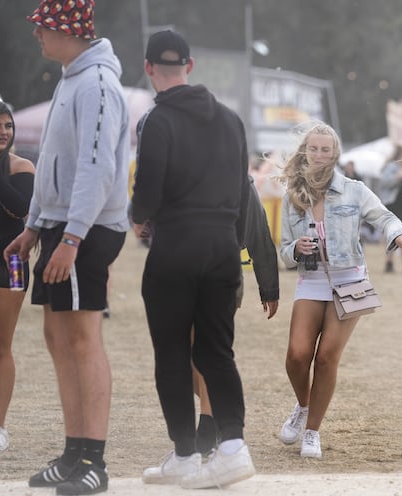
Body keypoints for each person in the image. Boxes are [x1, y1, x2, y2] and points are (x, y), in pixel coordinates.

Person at [3, 2, 130, 494]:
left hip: (89, 229)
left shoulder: (97, 84)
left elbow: (96, 169)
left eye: (42, 26)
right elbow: (54, 164)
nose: (36, 33)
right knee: (58, 340)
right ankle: (74, 451)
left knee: (82, 339)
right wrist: (35, 227)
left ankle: (93, 460)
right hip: (61, 226)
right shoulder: (70, 79)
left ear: (65, 30)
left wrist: (72, 237)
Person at [131, 30, 255, 488]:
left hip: (177, 245)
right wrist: (231, 238)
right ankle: (232, 448)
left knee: (172, 353)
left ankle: (185, 455)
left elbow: (147, 193)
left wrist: (138, 218)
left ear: (148, 68)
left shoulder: (157, 121)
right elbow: (244, 191)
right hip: (222, 244)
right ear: (191, 65)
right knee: (217, 350)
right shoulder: (230, 119)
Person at [277, 122, 402, 459]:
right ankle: (303, 406)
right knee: (296, 356)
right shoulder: (292, 195)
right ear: (305, 152)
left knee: (325, 359)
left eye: (326, 149)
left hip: (350, 282)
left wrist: (397, 234)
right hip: (311, 281)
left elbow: (384, 217)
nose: (320, 155)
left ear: (335, 153)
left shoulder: (353, 189)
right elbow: (282, 251)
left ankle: (312, 431)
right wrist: (296, 248)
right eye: (314, 149)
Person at [193, 174, 280, 456]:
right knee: (183, 357)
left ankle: (207, 426)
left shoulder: (241, 178)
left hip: (223, 271)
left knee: (208, 350)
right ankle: (217, 413)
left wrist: (269, 288)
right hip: (182, 267)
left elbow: (258, 231)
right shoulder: (180, 166)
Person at [0, 101, 35, 452]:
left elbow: (20, 208)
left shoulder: (22, 167)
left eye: (7, 125)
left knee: (1, 344)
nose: (3, 131)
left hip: (10, 265)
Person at [377, 145, 402, 273]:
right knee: (392, 233)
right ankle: (389, 263)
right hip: (393, 203)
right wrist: (397, 177)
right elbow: (384, 183)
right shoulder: (391, 166)